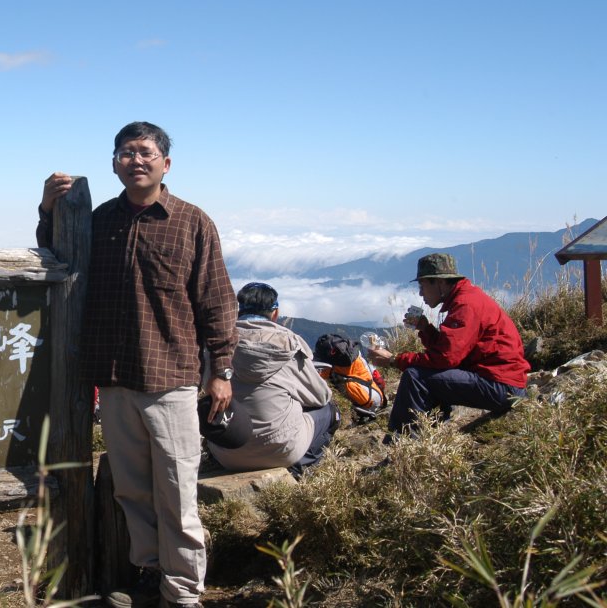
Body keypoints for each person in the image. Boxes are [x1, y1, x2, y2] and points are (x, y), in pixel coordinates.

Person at [38, 121, 237, 608]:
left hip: (171, 379)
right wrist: (47, 208)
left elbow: (217, 301)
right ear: (114, 163)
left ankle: (185, 592)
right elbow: (53, 255)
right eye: (126, 152)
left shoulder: (192, 222)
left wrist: (222, 371)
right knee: (131, 491)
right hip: (115, 379)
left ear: (165, 164)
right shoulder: (100, 219)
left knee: (177, 493)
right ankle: (150, 574)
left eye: (146, 152)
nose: (136, 160)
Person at [367, 253, 530, 440]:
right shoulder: (466, 299)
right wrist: (425, 329)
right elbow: (451, 352)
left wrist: (395, 360)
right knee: (428, 376)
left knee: (416, 377)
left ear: (440, 283)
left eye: (422, 285)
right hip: (501, 382)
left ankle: (400, 445)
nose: (421, 293)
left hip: (501, 387)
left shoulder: (465, 305)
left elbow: (445, 359)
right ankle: (428, 436)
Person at [204, 282, 339, 479]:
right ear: (274, 313)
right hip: (281, 452)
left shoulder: (217, 348)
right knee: (329, 411)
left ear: (238, 310)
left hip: (226, 452)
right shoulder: (289, 344)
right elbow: (320, 396)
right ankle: (297, 469)